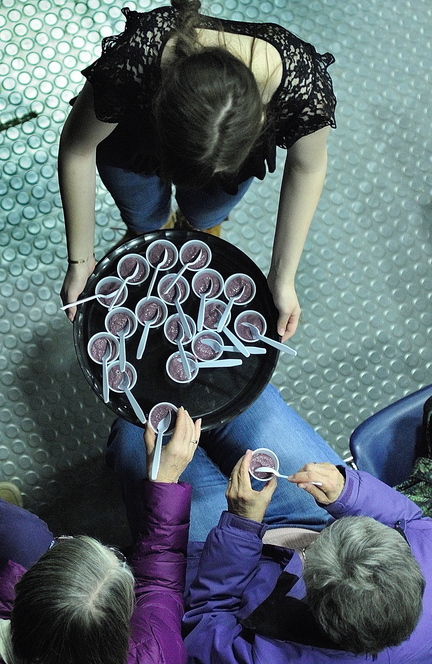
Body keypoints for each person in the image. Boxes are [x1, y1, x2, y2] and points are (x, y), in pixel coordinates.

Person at [59, 0, 337, 338]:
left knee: (205, 217)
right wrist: (80, 260)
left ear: (263, 120)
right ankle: (148, 232)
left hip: (220, 162)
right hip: (134, 147)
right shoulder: (138, 58)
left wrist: (282, 276)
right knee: (144, 218)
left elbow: (307, 169)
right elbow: (77, 150)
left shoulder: (300, 84)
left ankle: (198, 230)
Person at [107, 383, 431, 663]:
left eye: (314, 552)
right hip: (307, 520)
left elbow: (204, 623)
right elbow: (410, 519)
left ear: (312, 603)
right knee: (237, 397)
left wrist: (240, 526)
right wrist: (347, 492)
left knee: (139, 432)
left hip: (218, 565)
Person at [0, 407, 201, 664]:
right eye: (119, 558)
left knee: (22, 532)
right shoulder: (157, 652)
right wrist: (165, 482)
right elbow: (159, 586)